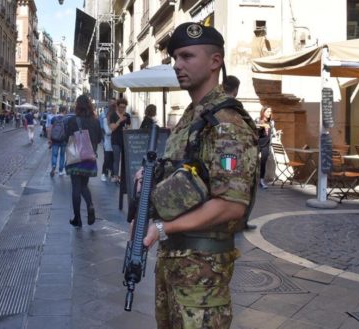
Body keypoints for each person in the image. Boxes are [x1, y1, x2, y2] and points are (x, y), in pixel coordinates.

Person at [140, 23, 258, 329]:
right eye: (175, 58)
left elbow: (231, 205)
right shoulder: (192, 118)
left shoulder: (225, 122)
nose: (177, 65)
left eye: (187, 56)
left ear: (215, 61)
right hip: (175, 268)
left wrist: (163, 228)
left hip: (202, 279)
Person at [66, 95, 103, 227]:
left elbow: (67, 138)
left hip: (75, 157)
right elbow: (99, 139)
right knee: (83, 186)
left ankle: (77, 218)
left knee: (76, 187)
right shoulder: (95, 121)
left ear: (77, 106)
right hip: (89, 157)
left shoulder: (72, 121)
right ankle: (90, 205)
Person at [109, 98, 131, 183]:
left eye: (124, 107)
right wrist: (119, 120)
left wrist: (127, 128)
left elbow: (129, 127)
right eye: (121, 107)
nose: (122, 109)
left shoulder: (127, 115)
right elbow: (112, 128)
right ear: (117, 106)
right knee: (116, 158)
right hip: (115, 140)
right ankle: (115, 176)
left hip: (124, 140)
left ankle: (123, 176)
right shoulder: (113, 115)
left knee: (125, 159)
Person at [257, 106, 274, 189]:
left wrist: (276, 132)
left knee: (263, 164)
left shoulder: (271, 122)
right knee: (253, 163)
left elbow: (270, 134)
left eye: (270, 111)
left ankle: (261, 181)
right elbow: (254, 127)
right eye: (268, 111)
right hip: (257, 144)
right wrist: (262, 125)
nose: (269, 113)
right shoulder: (258, 120)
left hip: (266, 146)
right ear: (263, 112)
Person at [47, 108, 67, 177]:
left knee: (54, 154)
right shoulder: (66, 119)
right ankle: (61, 171)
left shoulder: (54, 119)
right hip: (63, 140)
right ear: (64, 111)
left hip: (55, 139)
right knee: (62, 155)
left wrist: (49, 139)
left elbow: (50, 129)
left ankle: (53, 166)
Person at [101, 104, 114, 181]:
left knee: (113, 160)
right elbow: (108, 132)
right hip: (108, 143)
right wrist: (115, 128)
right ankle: (103, 173)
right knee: (107, 159)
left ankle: (112, 174)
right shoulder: (105, 120)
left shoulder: (114, 121)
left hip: (114, 143)